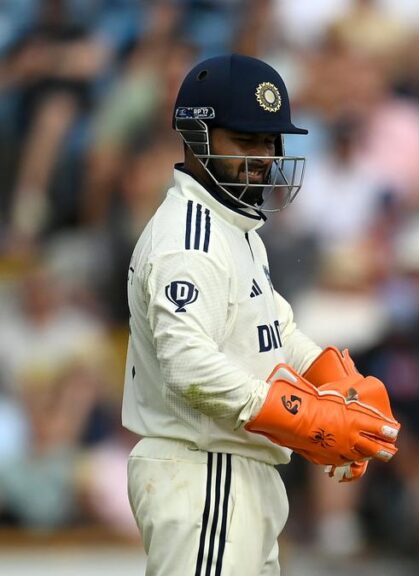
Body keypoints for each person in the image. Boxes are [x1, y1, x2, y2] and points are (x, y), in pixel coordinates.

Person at [122, 54, 401, 576]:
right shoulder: (189, 240)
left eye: (270, 142)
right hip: (204, 470)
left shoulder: (234, 227)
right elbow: (188, 365)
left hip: (237, 470)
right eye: (246, 141)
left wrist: (337, 387)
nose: (264, 157)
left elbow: (276, 330)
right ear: (195, 136)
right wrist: (308, 419)